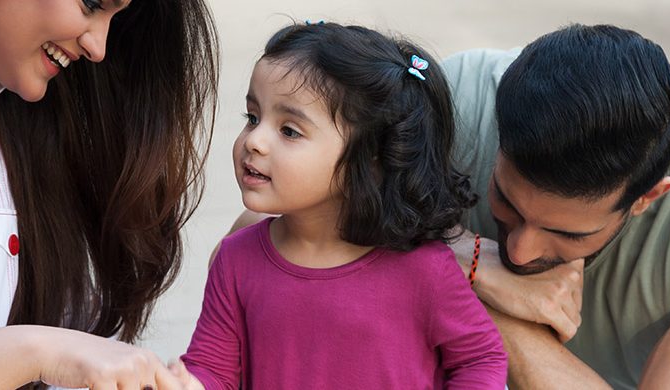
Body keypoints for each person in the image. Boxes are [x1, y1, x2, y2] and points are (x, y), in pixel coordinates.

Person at [0, 0, 218, 388]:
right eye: (92, 4)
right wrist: (31, 353)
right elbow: (47, 353)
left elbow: (71, 353)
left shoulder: (27, 132)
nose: (98, 46)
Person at [442, 24, 670, 388]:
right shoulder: (455, 103)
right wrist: (462, 255)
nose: (519, 252)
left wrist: (485, 304)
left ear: (647, 197)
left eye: (567, 234)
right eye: (507, 201)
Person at [181, 22, 508, 389]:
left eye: (289, 130)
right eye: (253, 117)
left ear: (370, 156)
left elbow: (481, 359)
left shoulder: (424, 269)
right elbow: (211, 370)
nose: (254, 140)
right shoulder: (235, 260)